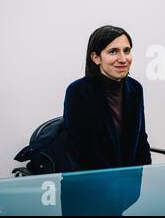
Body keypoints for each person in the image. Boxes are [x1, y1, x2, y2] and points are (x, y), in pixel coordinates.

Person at [63, 25, 151, 170]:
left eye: (127, 51)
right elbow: (85, 150)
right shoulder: (78, 91)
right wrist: (115, 181)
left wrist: (146, 174)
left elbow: (141, 139)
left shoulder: (135, 88)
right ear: (96, 58)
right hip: (93, 181)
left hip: (129, 182)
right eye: (113, 52)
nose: (123, 59)